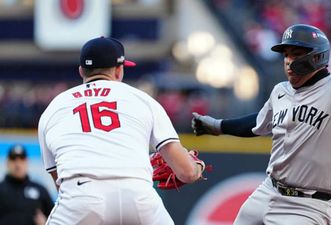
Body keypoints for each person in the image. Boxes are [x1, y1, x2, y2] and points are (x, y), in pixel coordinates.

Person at [192, 8, 331, 225]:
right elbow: (257, 123)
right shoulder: (281, 91)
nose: (288, 61)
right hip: (268, 191)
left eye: (296, 54)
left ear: (316, 57)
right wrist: (216, 126)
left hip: (309, 205)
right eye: (286, 54)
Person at [38, 37, 206, 225]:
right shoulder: (143, 99)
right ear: (119, 70)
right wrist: (198, 167)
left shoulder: (54, 108)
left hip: (82, 196)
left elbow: (59, 181)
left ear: (81, 71)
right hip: (138, 195)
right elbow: (187, 173)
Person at [0, 144, 54, 225]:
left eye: (22, 159)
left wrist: (46, 223)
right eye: (13, 159)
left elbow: (55, 218)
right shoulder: (1, 190)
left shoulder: (40, 190)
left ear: (27, 162)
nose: (18, 164)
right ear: (7, 162)